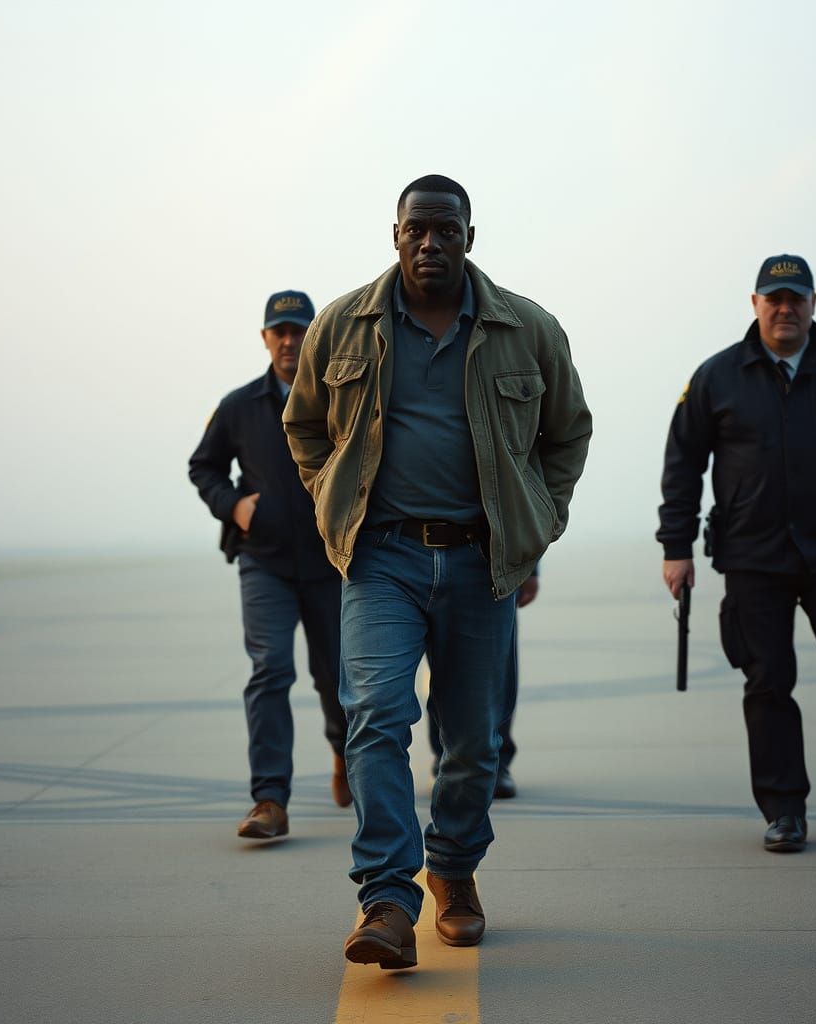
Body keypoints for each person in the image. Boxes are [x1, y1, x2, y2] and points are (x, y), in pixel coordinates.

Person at [284, 175, 591, 968]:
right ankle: (387, 898)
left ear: (469, 237)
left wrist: (538, 521)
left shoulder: (528, 328)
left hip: (479, 561)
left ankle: (454, 870)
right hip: (380, 558)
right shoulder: (341, 325)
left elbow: (567, 433)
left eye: (445, 230)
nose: (430, 243)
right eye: (416, 229)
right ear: (395, 236)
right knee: (376, 716)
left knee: (473, 743)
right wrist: (331, 499)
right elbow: (305, 424)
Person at [657, 254, 816, 853]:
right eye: (773, 298)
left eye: (795, 297)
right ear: (754, 304)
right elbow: (683, 466)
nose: (785, 308)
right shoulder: (716, 377)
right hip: (753, 556)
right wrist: (677, 547)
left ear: (813, 303)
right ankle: (783, 808)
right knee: (768, 681)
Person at [188, 290, 350, 842]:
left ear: (314, 337)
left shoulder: (340, 399)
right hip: (265, 565)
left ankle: (341, 753)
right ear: (264, 338)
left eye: (299, 329)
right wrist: (232, 505)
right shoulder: (238, 406)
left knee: (336, 677)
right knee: (270, 670)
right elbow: (203, 466)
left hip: (333, 563)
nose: (289, 340)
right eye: (278, 331)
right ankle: (269, 800)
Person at [427, 569, 540, 799]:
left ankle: (494, 761)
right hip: (395, 555)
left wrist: (529, 565)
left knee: (490, 670)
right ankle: (446, 758)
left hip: (487, 558)